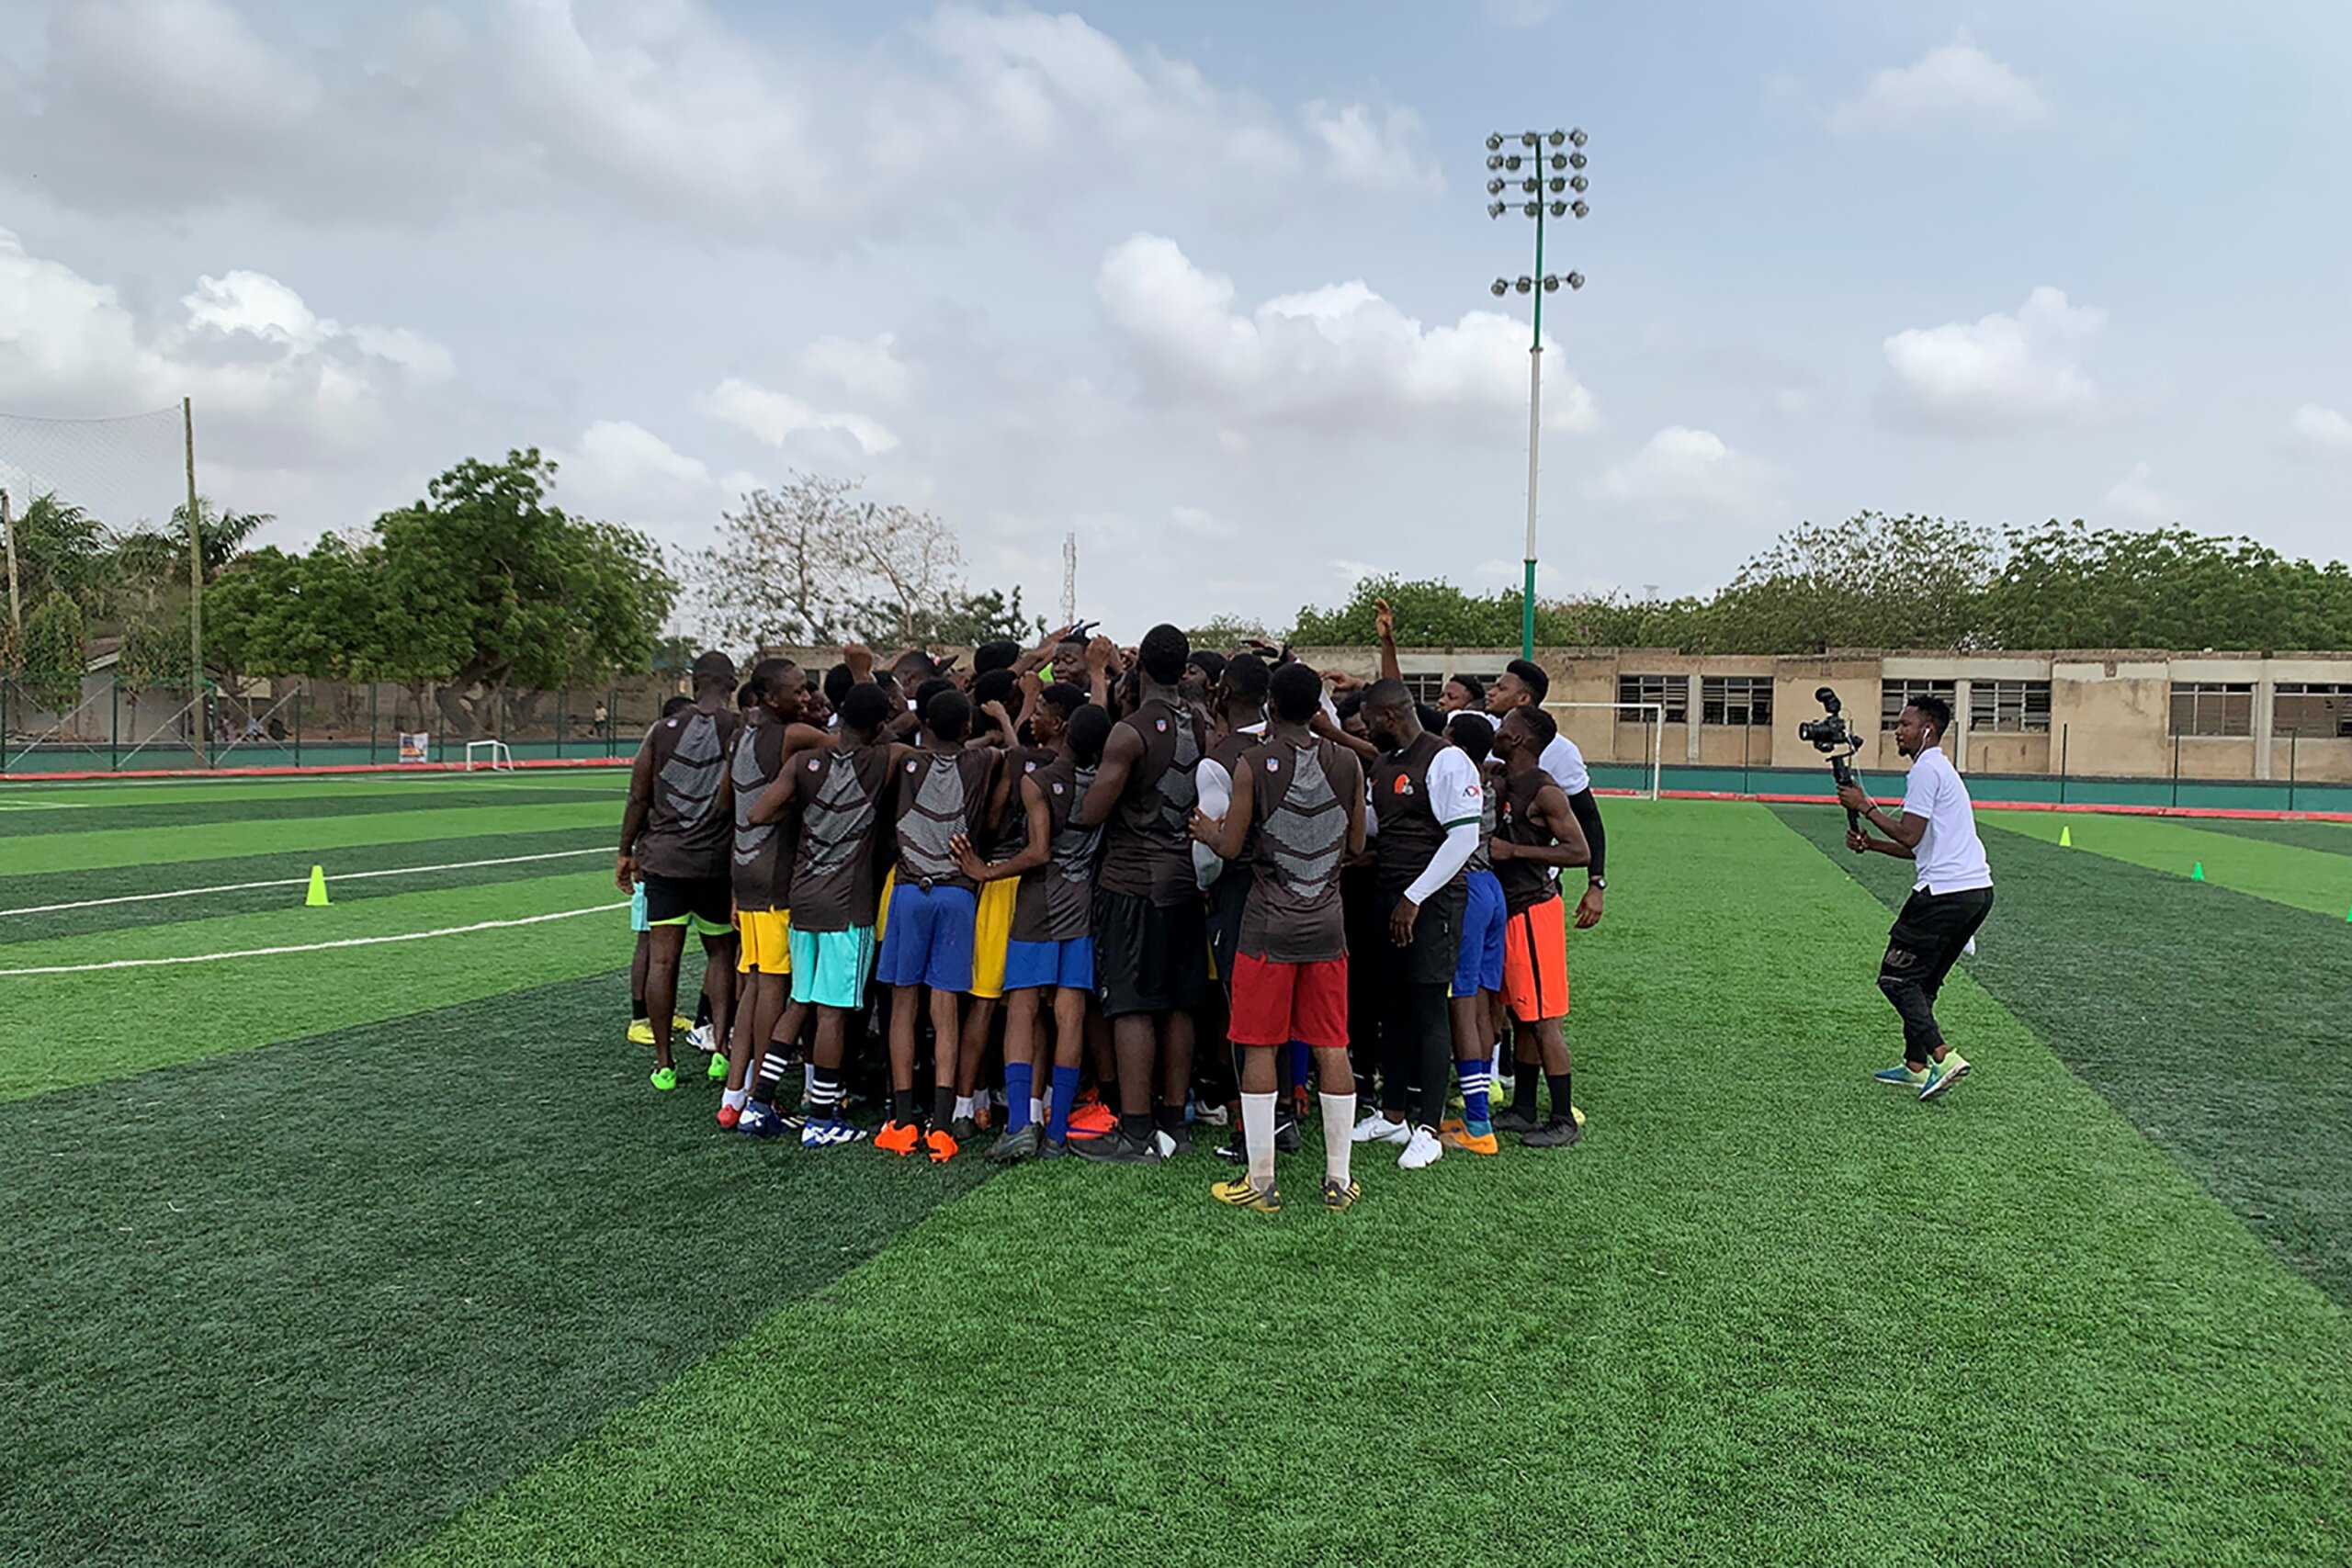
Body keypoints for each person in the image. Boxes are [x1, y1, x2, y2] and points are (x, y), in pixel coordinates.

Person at [1193, 660, 1369, 1212]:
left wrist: (1207, 829)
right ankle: (1338, 1180)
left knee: (1259, 1044)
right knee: (1331, 1046)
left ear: (1271, 705)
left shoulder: (1250, 763)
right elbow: (1359, 845)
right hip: (1327, 925)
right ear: (1319, 708)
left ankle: (1262, 1180)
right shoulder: (1348, 762)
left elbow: (1229, 847)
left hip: (1268, 926)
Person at [739, 681, 899, 1147]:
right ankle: (823, 1116)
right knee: (832, 1014)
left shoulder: (803, 763)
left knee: (799, 1002)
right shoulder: (881, 760)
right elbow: (930, 754)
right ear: (878, 726)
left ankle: (759, 1104)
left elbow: (758, 814)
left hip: (803, 896)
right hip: (847, 905)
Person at [954, 694, 1112, 1162]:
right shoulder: (1104, 782)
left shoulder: (1038, 782)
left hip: (1038, 904)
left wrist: (985, 871)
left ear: (1061, 726)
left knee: (1021, 1009)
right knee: (1070, 1015)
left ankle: (1022, 1125)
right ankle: (1057, 1131)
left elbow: (1040, 851)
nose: (1035, 718)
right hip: (1081, 907)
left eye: (1040, 711)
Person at [1078, 623, 1210, 1164]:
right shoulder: (1203, 726)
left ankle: (1136, 1132)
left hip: (1131, 881)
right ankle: (1174, 1120)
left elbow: (1091, 813)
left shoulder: (1128, 732)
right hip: (1185, 883)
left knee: (1132, 1006)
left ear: (1141, 668)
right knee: (1179, 1003)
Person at [1351, 679, 1483, 1170]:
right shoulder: (1384, 765)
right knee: (1394, 1006)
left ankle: (1428, 1126)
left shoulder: (1447, 761)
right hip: (1390, 899)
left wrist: (1414, 897)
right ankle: (1394, 1116)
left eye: (1369, 721)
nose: (1366, 729)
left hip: (1431, 904)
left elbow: (1463, 839)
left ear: (1388, 716)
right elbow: (1379, 826)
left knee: (1429, 1009)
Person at [1838, 694, 1992, 1101]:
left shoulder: (1926, 770)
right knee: (1923, 983)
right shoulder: (1940, 769)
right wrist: (1870, 845)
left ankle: (1943, 1057)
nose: (1897, 731)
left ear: (1927, 730)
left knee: (1895, 979)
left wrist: (1865, 806)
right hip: (1975, 893)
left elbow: (1910, 835)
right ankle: (1915, 1066)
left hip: (1943, 895)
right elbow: (1915, 847)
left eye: (1905, 724)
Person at [873, 688, 1004, 1161]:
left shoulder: (904, 761)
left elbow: (886, 738)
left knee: (903, 1003)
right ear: (966, 729)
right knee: (945, 1007)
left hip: (909, 891)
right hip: (957, 893)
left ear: (925, 723)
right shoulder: (982, 761)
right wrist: (1002, 718)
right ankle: (943, 1125)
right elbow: (1009, 746)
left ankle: (904, 1121)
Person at [1485, 658, 1611, 1127]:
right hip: (1510, 910)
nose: (1497, 726)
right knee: (1521, 1014)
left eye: (1506, 725)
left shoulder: (1545, 790)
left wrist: (1514, 852)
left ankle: (1561, 1118)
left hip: (1535, 910)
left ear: (1517, 737)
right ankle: (1522, 1108)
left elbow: (1578, 849)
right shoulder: (1504, 779)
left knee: (1544, 1019)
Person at [616, 652, 741, 1092]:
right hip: (715, 861)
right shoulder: (737, 728)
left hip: (666, 861)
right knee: (721, 955)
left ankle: (664, 1062)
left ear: (693, 682)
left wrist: (624, 850)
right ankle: (721, 1052)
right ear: (731, 682)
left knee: (663, 958)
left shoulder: (661, 731)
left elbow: (638, 797)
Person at [721, 660, 829, 1130]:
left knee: (755, 983)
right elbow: (852, 746)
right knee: (774, 989)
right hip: (773, 877)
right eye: (799, 691)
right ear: (770, 698)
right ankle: (764, 1098)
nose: (806, 699)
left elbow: (728, 804)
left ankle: (735, 1093)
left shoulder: (741, 735)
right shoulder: (791, 737)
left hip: (744, 871)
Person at [1441, 710, 1508, 1155]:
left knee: (1463, 1006)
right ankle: (1476, 1107)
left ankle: (1479, 1123)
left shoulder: (1455, 782)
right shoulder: (1489, 780)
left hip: (1466, 889)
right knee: (1482, 1002)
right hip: (1493, 888)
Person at [628, 696, 700, 1046]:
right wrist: (632, 853)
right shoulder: (655, 755)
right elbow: (638, 804)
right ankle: (639, 1017)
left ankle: (663, 1013)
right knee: (650, 942)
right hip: (656, 864)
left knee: (666, 948)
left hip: (674, 863)